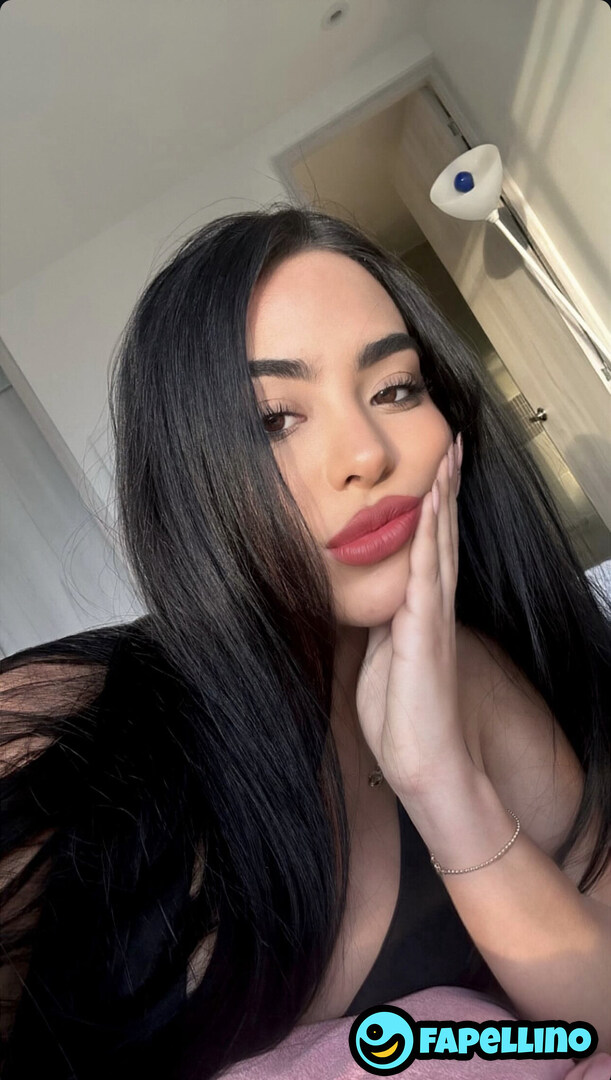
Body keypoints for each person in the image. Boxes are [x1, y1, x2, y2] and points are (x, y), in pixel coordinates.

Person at [1, 206, 610, 1080]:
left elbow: (595, 1020)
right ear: (188, 481)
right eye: (274, 419)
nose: (365, 453)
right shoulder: (58, 728)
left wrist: (443, 786)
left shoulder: (472, 680)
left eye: (395, 389)